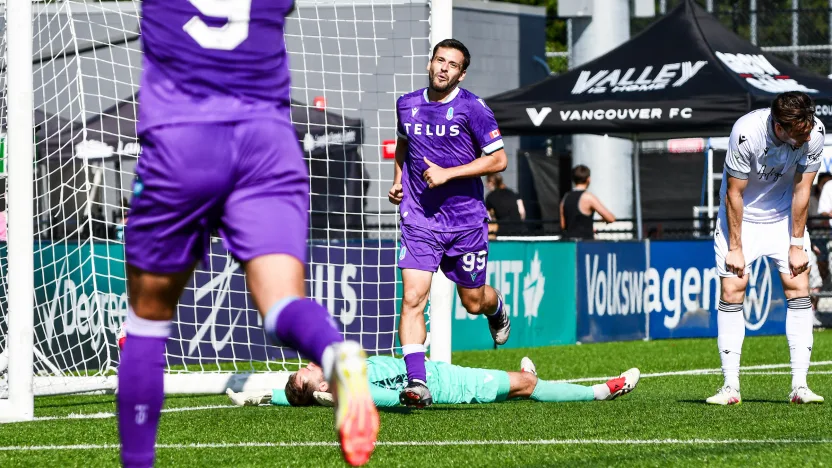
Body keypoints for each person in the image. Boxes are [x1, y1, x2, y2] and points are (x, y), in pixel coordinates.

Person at [119, 2, 379, 467]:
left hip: (183, 138)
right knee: (281, 303)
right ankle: (334, 354)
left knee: (147, 322)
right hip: (268, 143)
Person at [387, 38, 511, 408]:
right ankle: (418, 382)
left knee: (473, 302)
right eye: (439, 60)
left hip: (465, 221)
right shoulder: (406, 103)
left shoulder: (473, 109)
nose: (443, 68)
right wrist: (397, 180)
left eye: (452, 64)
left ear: (461, 73)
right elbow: (403, 144)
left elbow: (499, 160)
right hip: (420, 218)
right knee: (412, 297)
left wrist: (448, 173)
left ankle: (497, 307)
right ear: (430, 63)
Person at [710, 91, 825, 406]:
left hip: (783, 218)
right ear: (779, 126)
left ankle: (800, 387)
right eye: (798, 135)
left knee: (798, 287)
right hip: (741, 217)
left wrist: (796, 243)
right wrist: (736, 247)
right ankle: (730, 387)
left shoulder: (813, 133)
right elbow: (734, 193)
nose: (805, 139)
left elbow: (803, 189)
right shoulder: (746, 133)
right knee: (733, 290)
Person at [227, 356, 641, 408]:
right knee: (526, 387)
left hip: (438, 370)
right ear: (316, 387)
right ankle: (603, 390)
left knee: (519, 384)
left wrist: (261, 399)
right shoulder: (350, 392)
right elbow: (393, 402)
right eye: (309, 373)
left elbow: (289, 398)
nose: (313, 365)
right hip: (451, 385)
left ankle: (526, 377)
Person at [559, 165, 616, 240]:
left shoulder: (565, 198)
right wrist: (599, 222)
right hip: (586, 244)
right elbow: (610, 218)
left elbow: (563, 225)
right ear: (588, 179)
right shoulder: (588, 197)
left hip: (569, 244)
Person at [485, 174, 525, 238]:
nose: (486, 185)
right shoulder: (513, 193)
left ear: (491, 183)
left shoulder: (490, 197)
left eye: (487, 182)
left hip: (502, 231)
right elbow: (522, 212)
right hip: (520, 230)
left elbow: (488, 217)